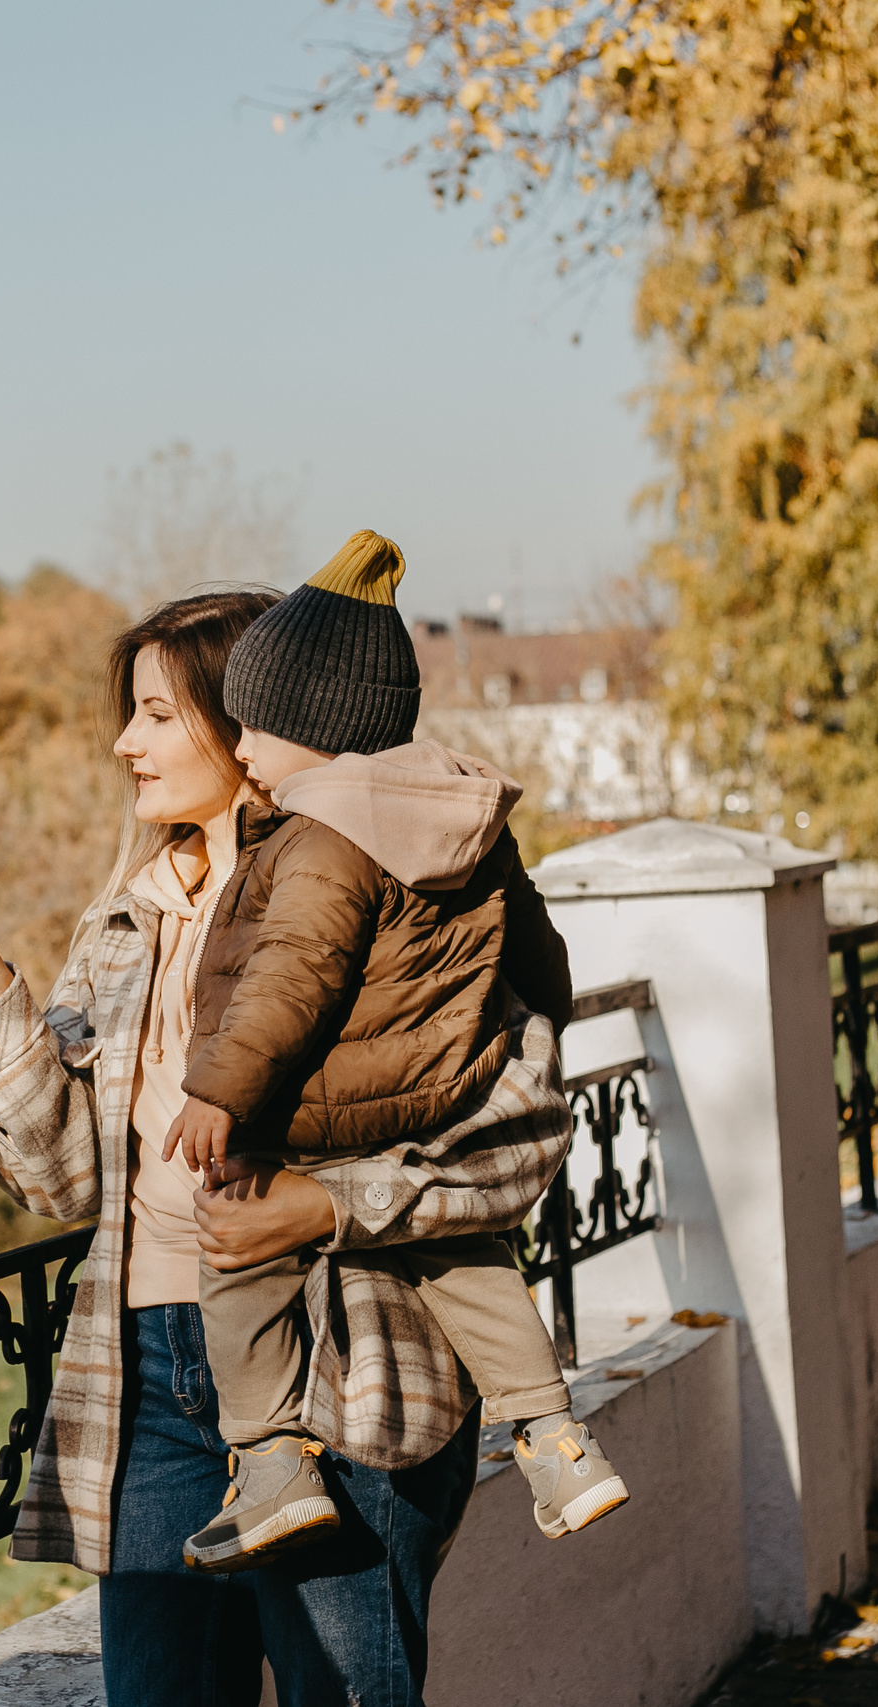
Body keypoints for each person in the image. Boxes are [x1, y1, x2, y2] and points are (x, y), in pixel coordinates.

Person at [0, 586, 577, 1707]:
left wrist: (322, 1209)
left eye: (154, 715)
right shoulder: (127, 917)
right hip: (146, 1371)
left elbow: (519, 1140)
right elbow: (64, 1179)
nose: (122, 742)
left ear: (250, 727)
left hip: (347, 1364)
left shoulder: (408, 895)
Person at [152, 532, 626, 1577]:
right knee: (465, 1261)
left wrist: (217, 1089)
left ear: (309, 728)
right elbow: (536, 958)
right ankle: (554, 1440)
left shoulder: (318, 841)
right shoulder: (467, 827)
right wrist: (531, 1018)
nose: (244, 751)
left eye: (256, 728)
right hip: (437, 1097)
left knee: (235, 1253)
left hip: (320, 1108)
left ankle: (271, 1465)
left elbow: (292, 977)